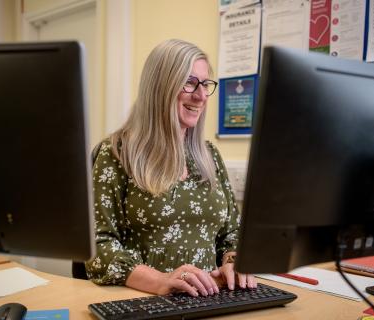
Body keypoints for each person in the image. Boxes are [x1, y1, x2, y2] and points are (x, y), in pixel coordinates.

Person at [86, 39, 256, 297]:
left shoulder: (209, 155)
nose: (200, 96)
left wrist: (233, 261)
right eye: (189, 82)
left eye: (205, 84)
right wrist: (160, 280)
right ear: (160, 86)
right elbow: (97, 246)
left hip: (211, 301)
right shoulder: (116, 153)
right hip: (144, 301)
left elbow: (231, 232)